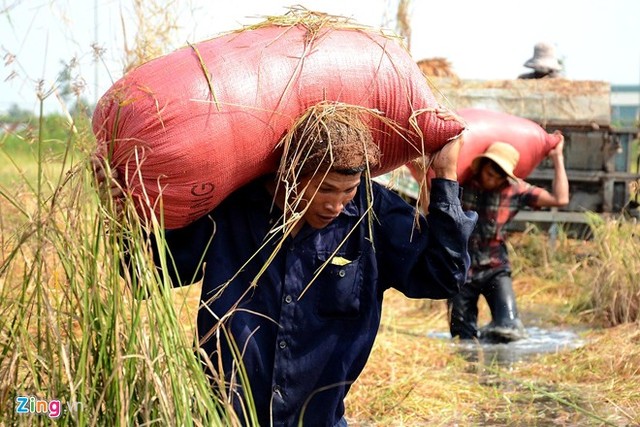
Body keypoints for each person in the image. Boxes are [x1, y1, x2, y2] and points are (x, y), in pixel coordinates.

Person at [94, 105, 477, 426]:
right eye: (325, 189)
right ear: (289, 174)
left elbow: (443, 277)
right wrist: (121, 213)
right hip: (222, 417)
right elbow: (150, 271)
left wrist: (444, 178)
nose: (337, 205)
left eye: (349, 191)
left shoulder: (372, 215)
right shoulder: (233, 210)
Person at [448, 137, 568, 343]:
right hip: (461, 268)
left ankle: (490, 344)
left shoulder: (515, 190)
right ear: (481, 167)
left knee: (509, 329)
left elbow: (561, 199)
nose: (492, 181)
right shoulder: (461, 183)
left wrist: (557, 157)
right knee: (462, 336)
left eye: (498, 178)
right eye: (489, 174)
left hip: (495, 268)